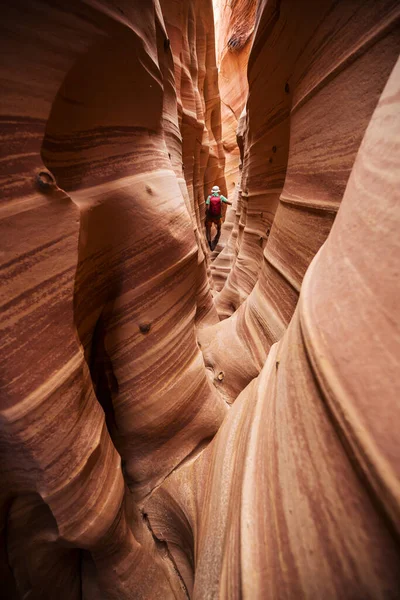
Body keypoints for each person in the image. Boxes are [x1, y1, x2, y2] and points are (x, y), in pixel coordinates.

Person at [205, 185, 232, 250]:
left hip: (210, 217)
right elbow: (229, 202)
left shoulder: (209, 197)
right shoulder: (221, 197)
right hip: (217, 217)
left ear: (212, 191)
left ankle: (210, 244)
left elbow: (207, 206)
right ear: (218, 191)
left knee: (208, 230)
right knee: (219, 226)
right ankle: (218, 236)